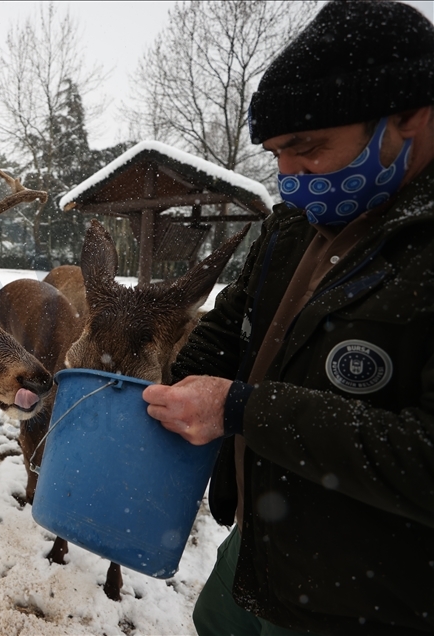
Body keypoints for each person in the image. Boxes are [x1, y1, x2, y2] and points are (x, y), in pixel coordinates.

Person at [141, 1, 434, 634]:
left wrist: (242, 410)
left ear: (409, 115)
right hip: (258, 547)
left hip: (370, 600)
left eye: (307, 149)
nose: (288, 177)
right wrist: (158, 392)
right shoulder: (295, 225)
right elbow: (232, 323)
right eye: (275, 155)